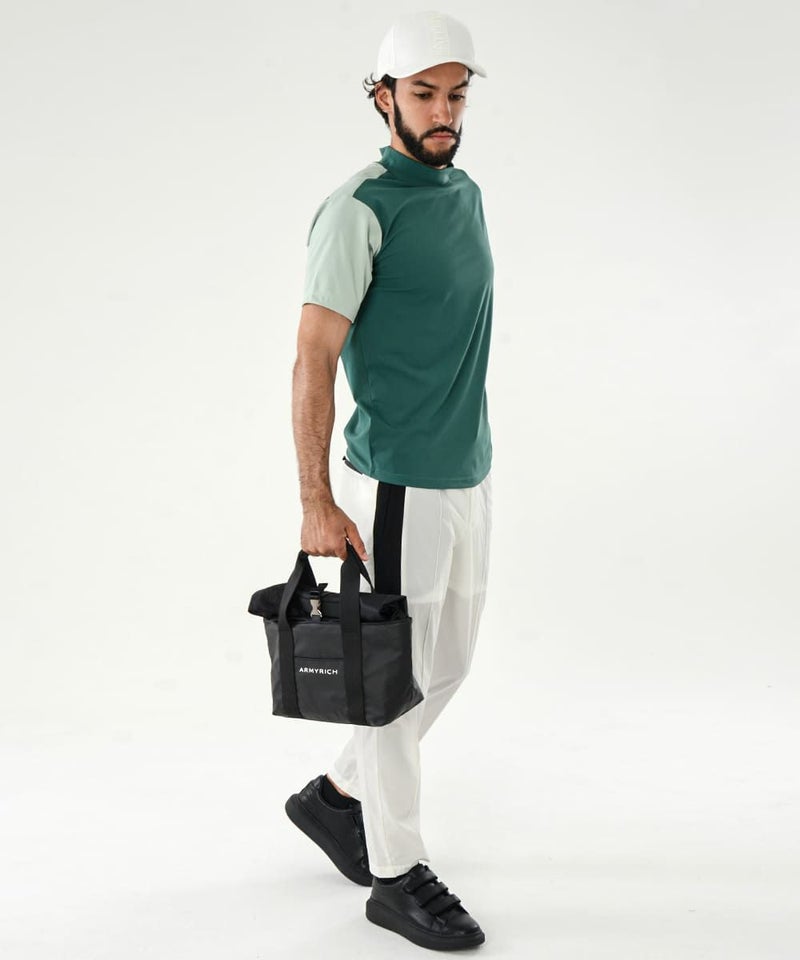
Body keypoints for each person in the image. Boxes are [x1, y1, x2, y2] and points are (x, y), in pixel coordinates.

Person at [284, 11, 494, 951]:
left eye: (456, 95)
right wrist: (315, 500)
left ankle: (337, 797)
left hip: (467, 472)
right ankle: (395, 871)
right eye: (423, 94)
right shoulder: (358, 210)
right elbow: (312, 357)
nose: (443, 112)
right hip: (399, 484)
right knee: (394, 685)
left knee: (446, 668)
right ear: (382, 98)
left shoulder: (463, 193)